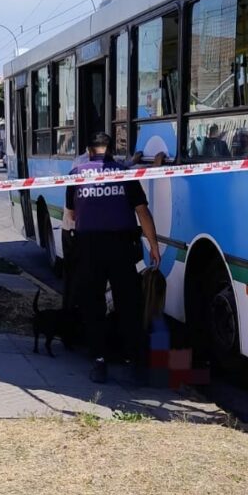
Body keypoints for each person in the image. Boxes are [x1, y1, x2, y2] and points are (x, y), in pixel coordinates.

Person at [64, 131, 160, 384]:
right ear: (112, 151)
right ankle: (136, 364)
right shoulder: (124, 174)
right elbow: (143, 212)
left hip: (89, 248)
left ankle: (99, 362)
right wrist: (153, 245)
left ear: (88, 151)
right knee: (129, 304)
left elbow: (71, 214)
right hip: (121, 247)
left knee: (93, 304)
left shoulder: (76, 174)